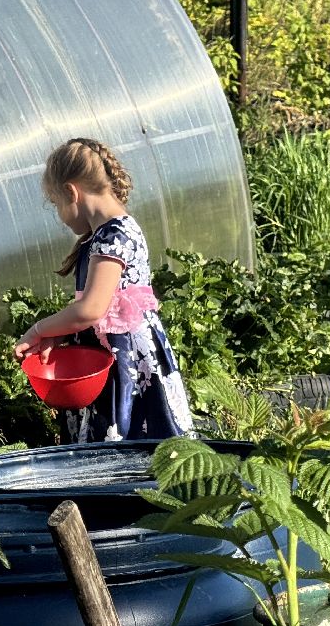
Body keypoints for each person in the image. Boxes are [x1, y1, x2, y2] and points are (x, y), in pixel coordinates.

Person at [13, 138, 196, 443]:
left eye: (57, 204)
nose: (60, 214)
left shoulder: (114, 235)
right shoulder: (107, 232)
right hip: (116, 352)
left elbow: (91, 309)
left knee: (130, 439)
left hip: (128, 364)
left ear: (72, 192)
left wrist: (39, 329)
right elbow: (103, 310)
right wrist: (61, 333)